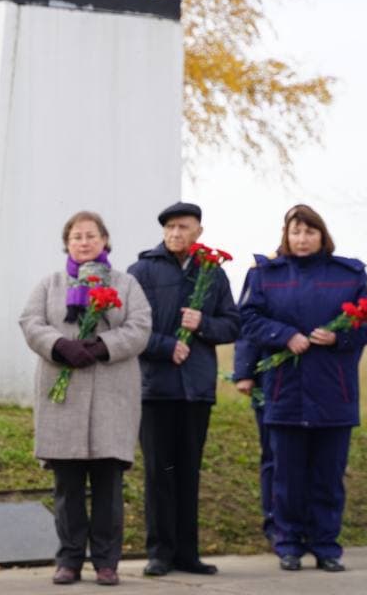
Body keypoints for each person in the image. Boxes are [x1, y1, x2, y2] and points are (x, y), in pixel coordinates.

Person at [240, 204, 367, 573]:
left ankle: (326, 545)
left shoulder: (347, 274)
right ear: (285, 236)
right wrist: (284, 336)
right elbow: (249, 319)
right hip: (284, 391)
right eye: (295, 232)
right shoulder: (265, 275)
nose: (302, 239)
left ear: (323, 235)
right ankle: (287, 543)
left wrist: (338, 336)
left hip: (333, 391)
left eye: (310, 232)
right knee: (287, 476)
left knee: (328, 476)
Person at [19, 211, 150, 587]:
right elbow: (30, 322)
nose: (84, 242)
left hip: (112, 396)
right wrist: (59, 345)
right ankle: (70, 559)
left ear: (105, 240)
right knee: (68, 487)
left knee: (108, 487)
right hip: (65, 397)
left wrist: (103, 346)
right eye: (76, 236)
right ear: (67, 243)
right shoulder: (51, 284)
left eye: (91, 235)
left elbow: (140, 326)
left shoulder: (126, 285)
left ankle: (107, 562)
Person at [127, 202, 240, 576]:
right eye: (170, 227)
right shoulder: (142, 270)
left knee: (188, 471)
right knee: (160, 472)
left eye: (183, 227)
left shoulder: (214, 274)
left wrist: (203, 323)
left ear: (198, 232)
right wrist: (164, 347)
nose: (175, 234)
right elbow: (131, 327)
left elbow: (233, 325)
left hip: (196, 390)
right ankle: (160, 552)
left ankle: (188, 554)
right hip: (155, 387)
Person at [231, 338, 275, 546]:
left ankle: (309, 526)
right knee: (273, 456)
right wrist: (244, 372)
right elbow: (247, 323)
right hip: (270, 382)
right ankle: (275, 524)